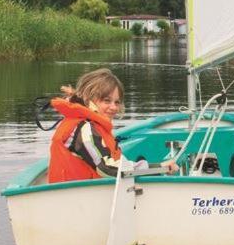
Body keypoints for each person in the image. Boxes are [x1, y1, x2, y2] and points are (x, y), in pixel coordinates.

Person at [47, 68, 178, 184]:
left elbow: (119, 165)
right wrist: (159, 168)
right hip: (74, 201)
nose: (114, 107)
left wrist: (159, 167)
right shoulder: (84, 128)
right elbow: (107, 169)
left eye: (117, 102)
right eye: (107, 100)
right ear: (89, 100)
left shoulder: (93, 126)